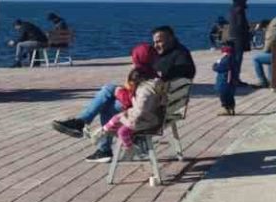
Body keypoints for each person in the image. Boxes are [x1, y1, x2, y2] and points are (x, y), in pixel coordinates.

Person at [56, 26, 194, 162]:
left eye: (159, 41)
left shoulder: (179, 57)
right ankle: (82, 123)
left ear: (171, 38)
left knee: (107, 103)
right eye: (154, 42)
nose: (156, 45)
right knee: (109, 91)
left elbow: (151, 91)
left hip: (151, 109)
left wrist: (143, 75)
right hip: (158, 104)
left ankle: (100, 145)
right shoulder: (172, 54)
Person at [224, 0, 251, 103]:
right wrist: (247, 31)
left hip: (232, 37)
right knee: (237, 59)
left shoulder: (232, 9)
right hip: (238, 38)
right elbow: (240, 25)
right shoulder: (239, 10)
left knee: (234, 59)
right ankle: (235, 79)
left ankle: (233, 78)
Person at [213, 45, 236, 115]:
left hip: (223, 81)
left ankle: (226, 109)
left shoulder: (224, 61)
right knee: (230, 95)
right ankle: (232, 108)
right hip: (231, 81)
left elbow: (216, 68)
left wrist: (216, 63)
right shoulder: (233, 59)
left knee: (223, 95)